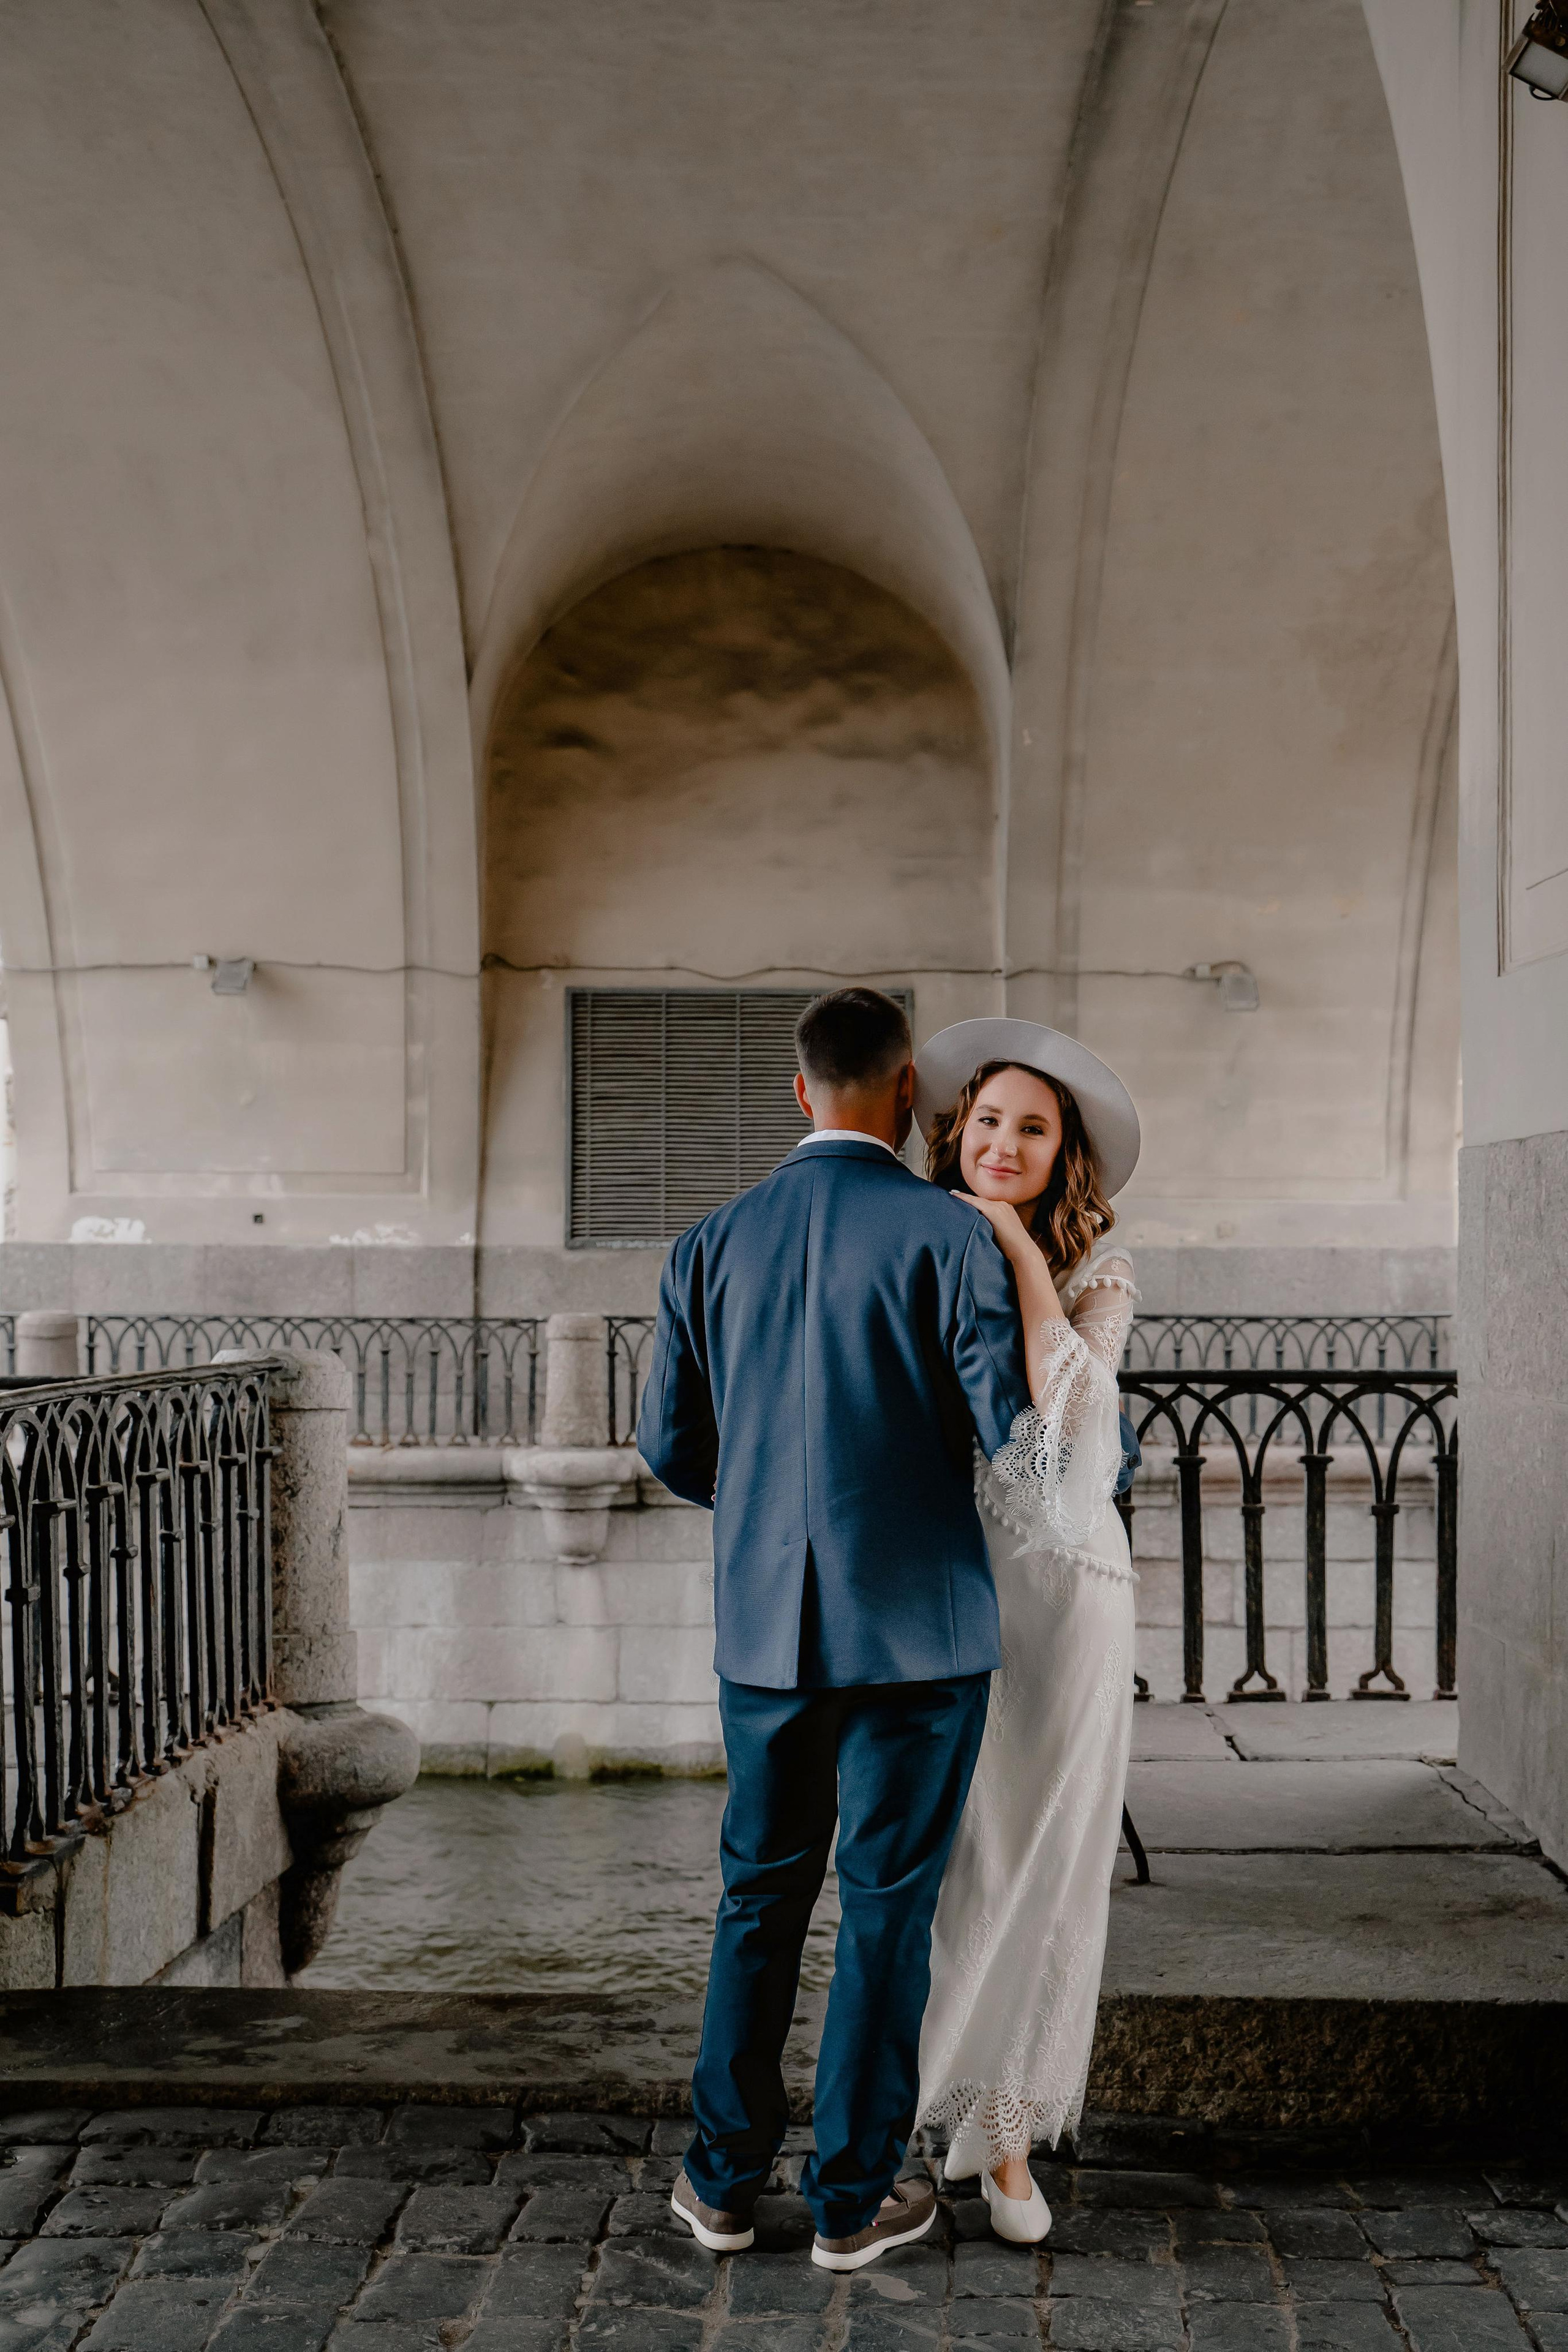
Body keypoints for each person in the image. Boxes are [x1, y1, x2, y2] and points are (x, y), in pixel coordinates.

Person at [638, 987, 1032, 2272]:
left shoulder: (706, 1243)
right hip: (918, 1636)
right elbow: (1008, 1431)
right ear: (909, 1087)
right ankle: (856, 2200)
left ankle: (716, 2185)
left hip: (762, 1634)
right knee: (883, 1911)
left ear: (798, 1092)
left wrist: (766, 1512)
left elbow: (669, 1448)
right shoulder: (948, 1236)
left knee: (756, 1897)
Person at [911, 1018, 1141, 2245]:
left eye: (1031, 1131)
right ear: (958, 1128)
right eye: (989, 1121)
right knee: (961, 1852)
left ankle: (1004, 2144)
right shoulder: (911, 1236)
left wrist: (1012, 1246)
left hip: (1067, 1588)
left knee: (1046, 1861)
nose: (1003, 1143)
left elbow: (1069, 1437)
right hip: (950, 1585)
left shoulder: (1097, 1271)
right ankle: (898, 2114)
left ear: (1061, 1160)